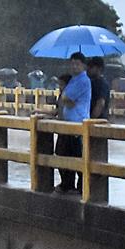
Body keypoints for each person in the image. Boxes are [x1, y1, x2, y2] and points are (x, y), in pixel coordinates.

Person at [53, 54, 91, 194]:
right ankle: (67, 184)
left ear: (83, 66)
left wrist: (66, 99)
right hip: (68, 124)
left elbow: (66, 98)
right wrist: (66, 99)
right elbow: (65, 100)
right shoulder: (73, 80)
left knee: (77, 155)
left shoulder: (83, 81)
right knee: (63, 153)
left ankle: (80, 188)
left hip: (77, 124)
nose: (74, 66)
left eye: (78, 64)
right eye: (73, 63)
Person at [87, 55, 111, 121]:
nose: (88, 69)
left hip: (99, 121)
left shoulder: (102, 84)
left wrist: (91, 120)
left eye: (91, 67)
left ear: (99, 69)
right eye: (88, 66)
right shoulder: (90, 82)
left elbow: (100, 104)